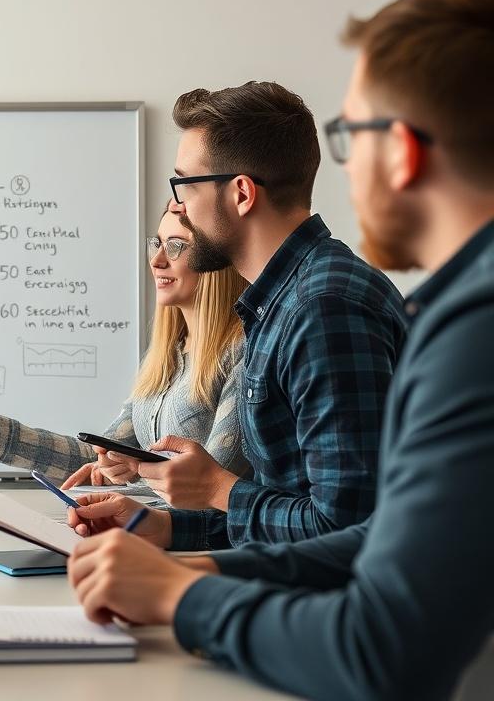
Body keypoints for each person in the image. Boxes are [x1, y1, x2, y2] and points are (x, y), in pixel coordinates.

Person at [66, 0, 494, 701]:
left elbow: (373, 616)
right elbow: (379, 539)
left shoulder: (345, 309)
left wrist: (181, 594)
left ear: (402, 153)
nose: (345, 166)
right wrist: (193, 555)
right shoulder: (305, 304)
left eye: (351, 135)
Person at [80, 80, 407, 550]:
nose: (178, 206)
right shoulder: (280, 303)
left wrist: (216, 489)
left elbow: (346, 531)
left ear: (241, 194)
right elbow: (289, 508)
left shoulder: (323, 311)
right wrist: (167, 528)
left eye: (185, 184)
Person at [0, 207, 248, 489]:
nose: (156, 261)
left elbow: (212, 486)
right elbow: (94, 456)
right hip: (147, 541)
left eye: (176, 246)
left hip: (198, 555)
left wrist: (137, 468)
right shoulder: (165, 358)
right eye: (156, 243)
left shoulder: (242, 354)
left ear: (214, 260)